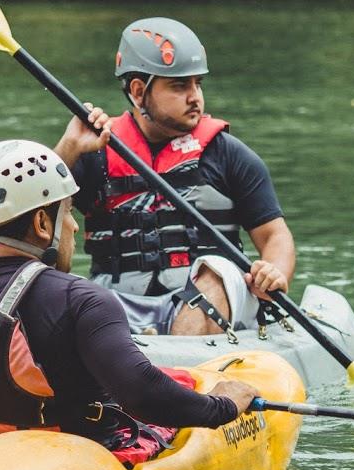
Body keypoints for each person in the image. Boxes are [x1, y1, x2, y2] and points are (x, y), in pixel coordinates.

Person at [0, 139, 259, 464]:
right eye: (68, 214)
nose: (73, 227)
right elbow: (143, 395)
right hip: (70, 465)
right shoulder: (82, 299)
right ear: (41, 223)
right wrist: (222, 405)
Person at [53, 17, 296, 337]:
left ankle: (179, 364)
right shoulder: (94, 153)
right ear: (139, 92)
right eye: (180, 86)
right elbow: (36, 231)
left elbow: (275, 236)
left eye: (198, 83)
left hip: (212, 306)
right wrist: (68, 149)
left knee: (217, 273)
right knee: (72, 293)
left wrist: (273, 272)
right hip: (120, 305)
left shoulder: (227, 154)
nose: (195, 96)